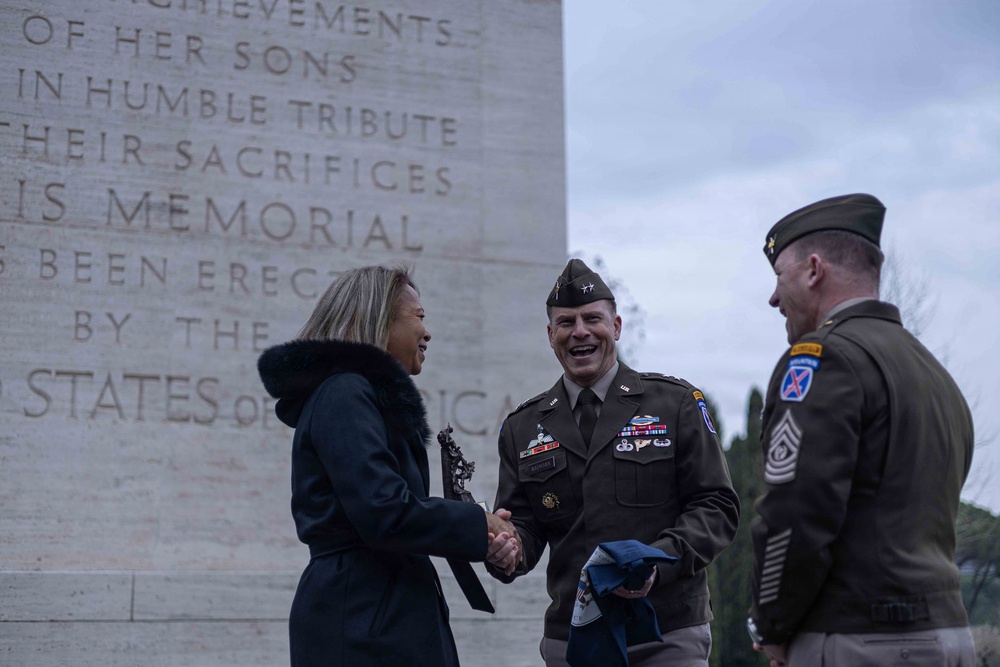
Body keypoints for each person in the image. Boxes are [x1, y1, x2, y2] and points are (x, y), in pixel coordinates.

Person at [748, 194, 976, 666]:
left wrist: (771, 626)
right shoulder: (935, 374)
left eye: (779, 277)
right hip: (948, 635)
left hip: (861, 638)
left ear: (814, 270)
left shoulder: (822, 359)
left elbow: (795, 511)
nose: (773, 297)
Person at [257, 265, 519, 667]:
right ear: (379, 318)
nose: (427, 332)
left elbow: (393, 508)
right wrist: (477, 523)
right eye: (419, 317)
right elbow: (384, 510)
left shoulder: (356, 395)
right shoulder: (345, 392)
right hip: (362, 620)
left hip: (378, 610)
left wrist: (480, 530)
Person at [486, 258, 740, 667]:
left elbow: (717, 506)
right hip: (573, 641)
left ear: (616, 327)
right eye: (566, 323)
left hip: (665, 633)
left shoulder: (675, 404)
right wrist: (507, 549)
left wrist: (658, 561)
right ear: (551, 335)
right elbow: (527, 528)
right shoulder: (523, 427)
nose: (580, 332)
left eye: (592, 319)